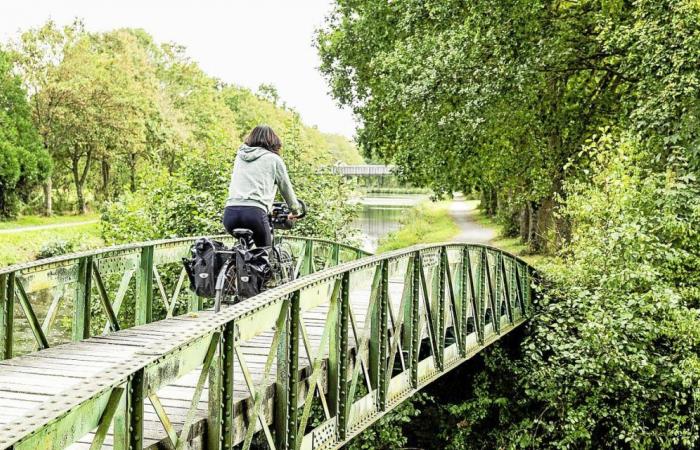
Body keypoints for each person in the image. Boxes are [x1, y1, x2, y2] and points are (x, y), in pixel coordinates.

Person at [222, 125, 301, 247]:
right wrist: (295, 211)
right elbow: (286, 188)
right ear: (274, 142)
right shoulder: (274, 159)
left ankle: (235, 265)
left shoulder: (239, 157)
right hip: (254, 214)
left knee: (244, 254)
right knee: (265, 255)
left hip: (230, 215)